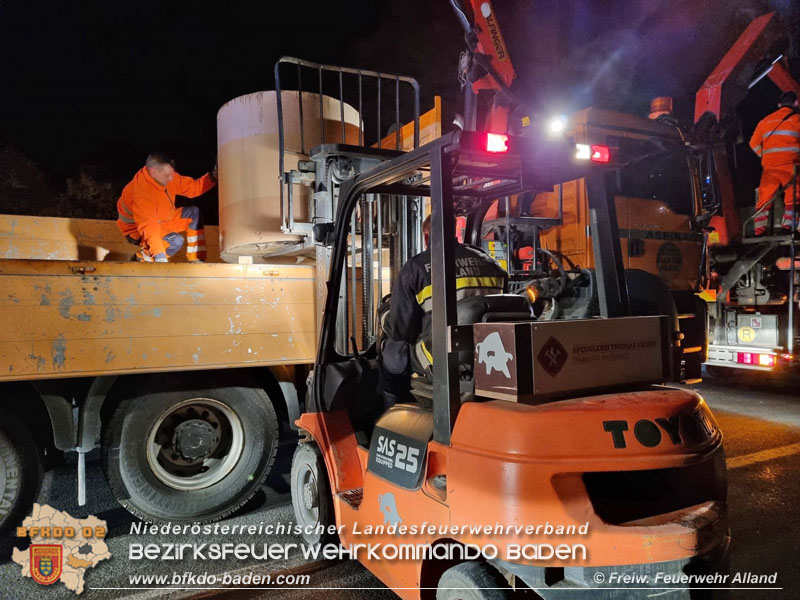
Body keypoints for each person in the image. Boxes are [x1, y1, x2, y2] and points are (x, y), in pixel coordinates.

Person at [379, 214, 508, 405]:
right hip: (490, 354)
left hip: (443, 354)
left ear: (426, 236)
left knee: (390, 352)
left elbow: (402, 330)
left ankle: (394, 413)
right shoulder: (492, 263)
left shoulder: (416, 268)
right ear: (454, 231)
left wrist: (385, 315)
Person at [116, 153, 217, 262]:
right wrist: (160, 257)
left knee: (193, 213)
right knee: (175, 241)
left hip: (164, 219)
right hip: (137, 231)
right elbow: (149, 229)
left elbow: (194, 188)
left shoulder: (166, 175)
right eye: (167, 176)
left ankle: (197, 259)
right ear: (154, 172)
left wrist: (213, 177)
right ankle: (142, 258)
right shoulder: (142, 194)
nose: (171, 179)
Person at [749, 91, 800, 235]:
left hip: (769, 167)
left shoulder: (765, 121)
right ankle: (788, 228)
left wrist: (766, 156)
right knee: (793, 197)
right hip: (790, 166)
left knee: (764, 200)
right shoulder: (797, 120)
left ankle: (759, 231)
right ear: (796, 103)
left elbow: (753, 143)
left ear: (779, 105)